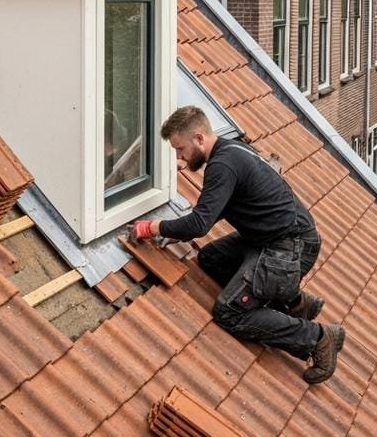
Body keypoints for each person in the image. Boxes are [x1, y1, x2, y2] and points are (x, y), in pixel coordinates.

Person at [129, 105, 345, 384]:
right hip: (269, 240)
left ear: (198, 138)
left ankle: (319, 337)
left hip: (289, 248)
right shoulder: (230, 150)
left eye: (180, 149)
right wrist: (176, 232)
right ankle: (293, 301)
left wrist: (152, 227)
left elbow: (199, 224)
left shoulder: (222, 165)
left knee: (229, 313)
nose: (179, 157)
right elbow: (215, 209)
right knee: (211, 258)